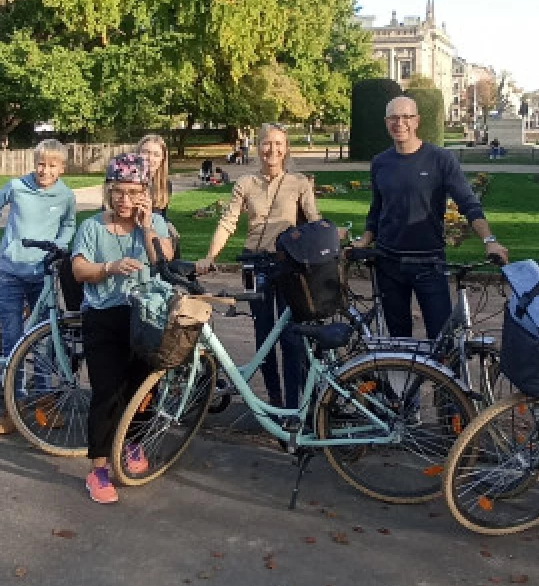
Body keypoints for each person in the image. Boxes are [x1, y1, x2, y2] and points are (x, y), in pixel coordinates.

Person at [356, 97, 508, 340]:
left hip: (428, 262)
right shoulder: (380, 162)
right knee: (397, 341)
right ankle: (402, 378)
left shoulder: (440, 159)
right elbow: (377, 208)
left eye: (406, 117)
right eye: (394, 117)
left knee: (442, 339)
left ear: (417, 121)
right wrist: (365, 240)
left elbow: (468, 203)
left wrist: (489, 240)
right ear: (386, 122)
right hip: (388, 262)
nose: (400, 123)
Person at [71, 153, 173, 504]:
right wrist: (110, 267)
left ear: (145, 190)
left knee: (143, 388)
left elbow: (165, 261)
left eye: (132, 191)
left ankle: (132, 444)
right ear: (108, 191)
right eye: (118, 192)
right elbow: (79, 270)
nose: (125, 200)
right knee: (107, 391)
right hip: (104, 316)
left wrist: (147, 229)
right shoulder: (92, 227)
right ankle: (98, 468)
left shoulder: (154, 224)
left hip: (144, 316)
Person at [196, 123, 319, 408]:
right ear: (257, 146)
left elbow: (314, 221)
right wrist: (210, 256)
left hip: (287, 264)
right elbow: (228, 221)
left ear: (286, 148)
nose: (272, 149)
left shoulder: (299, 182)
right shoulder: (246, 183)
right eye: (266, 143)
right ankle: (273, 401)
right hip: (254, 264)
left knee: (291, 337)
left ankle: (293, 405)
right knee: (264, 336)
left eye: (278, 144)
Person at [0, 139, 77, 434]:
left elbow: (69, 224)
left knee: (45, 341)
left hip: (43, 275)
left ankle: (44, 403)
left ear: (62, 168)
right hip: (10, 272)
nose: (44, 170)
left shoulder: (66, 196)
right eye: (40, 164)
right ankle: (13, 406)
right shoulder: (17, 186)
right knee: (13, 340)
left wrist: (59, 247)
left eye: (52, 165)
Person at [136, 133, 172, 218]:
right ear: (137, 154)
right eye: (145, 152)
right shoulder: (124, 181)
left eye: (156, 154)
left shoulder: (165, 184)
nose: (150, 158)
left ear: (162, 159)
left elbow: (163, 218)